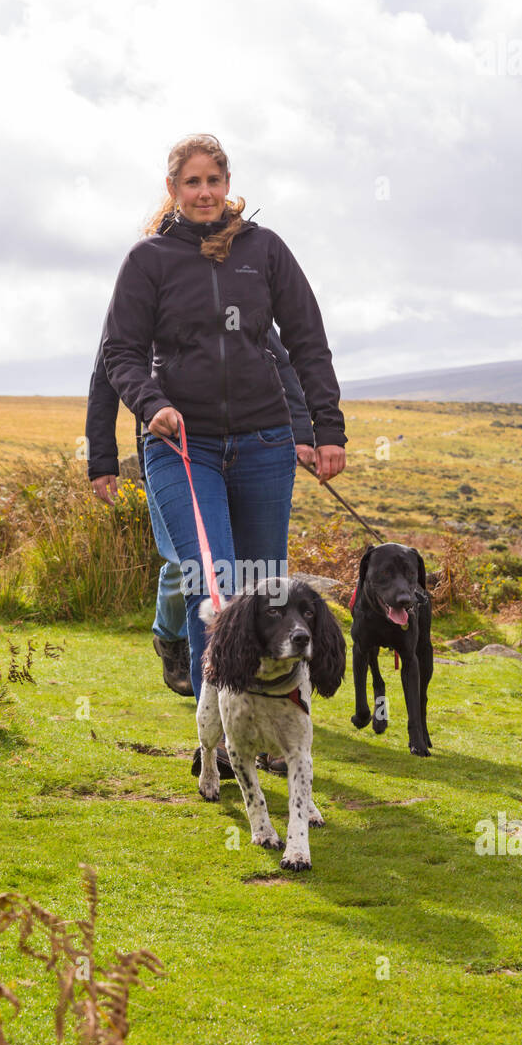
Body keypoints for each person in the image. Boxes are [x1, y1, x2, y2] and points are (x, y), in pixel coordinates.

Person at [102, 133, 347, 772]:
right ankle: (217, 742)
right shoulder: (148, 261)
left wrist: (328, 428)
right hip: (183, 445)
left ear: (228, 182)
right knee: (215, 586)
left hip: (265, 441)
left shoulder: (264, 251)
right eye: (192, 182)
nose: (205, 192)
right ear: (173, 190)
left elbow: (307, 341)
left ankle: (268, 737)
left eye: (214, 180)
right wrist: (151, 404)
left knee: (267, 589)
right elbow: (118, 354)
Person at [85, 324, 318, 698]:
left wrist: (303, 433)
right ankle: (171, 636)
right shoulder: (141, 299)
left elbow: (282, 364)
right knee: (187, 562)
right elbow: (105, 375)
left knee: (248, 572)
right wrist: (101, 458)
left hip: (249, 448)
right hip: (172, 453)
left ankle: (255, 690)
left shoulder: (239, 291)